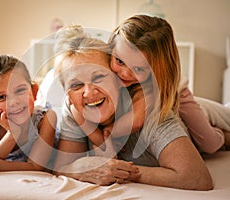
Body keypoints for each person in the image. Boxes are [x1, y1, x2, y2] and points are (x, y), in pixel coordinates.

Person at [52, 25, 213, 190]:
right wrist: (83, 169)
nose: (88, 92)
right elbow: (62, 166)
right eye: (76, 84)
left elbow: (198, 178)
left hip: (191, 106)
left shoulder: (149, 110)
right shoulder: (74, 105)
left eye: (99, 76)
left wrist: (121, 171)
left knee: (213, 138)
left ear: (117, 80)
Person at [107, 14, 230, 154]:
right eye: (120, 61)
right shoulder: (106, 65)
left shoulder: (154, 87)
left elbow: (135, 120)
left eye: (138, 69)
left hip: (178, 96)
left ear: (157, 70)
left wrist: (107, 133)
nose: (124, 73)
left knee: (210, 144)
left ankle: (225, 136)